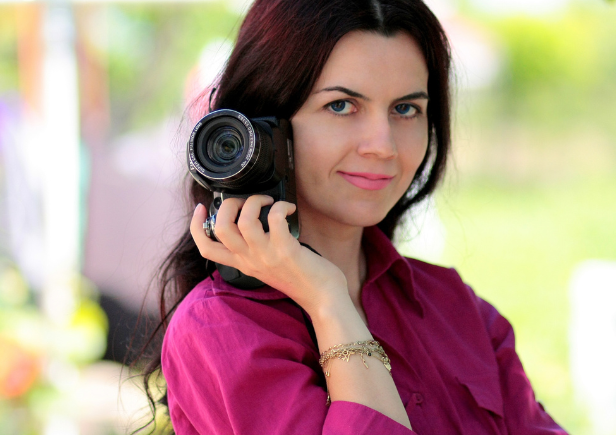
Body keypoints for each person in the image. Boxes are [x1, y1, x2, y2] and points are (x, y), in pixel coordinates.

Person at [139, 0, 568, 433]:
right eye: (342, 106)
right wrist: (328, 301)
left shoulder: (461, 312)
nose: (383, 145)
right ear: (265, 125)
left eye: (406, 109)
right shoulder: (224, 328)